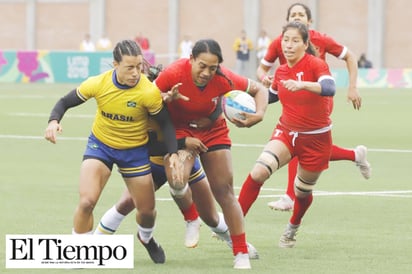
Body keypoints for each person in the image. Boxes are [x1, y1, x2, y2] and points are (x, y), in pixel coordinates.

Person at [44, 39, 183, 264]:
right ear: (114, 64)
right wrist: (53, 121)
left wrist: (173, 153)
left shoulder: (148, 91)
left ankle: (146, 239)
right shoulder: (99, 83)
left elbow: (166, 124)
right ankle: (78, 257)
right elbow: (64, 102)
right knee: (87, 201)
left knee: (147, 212)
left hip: (135, 152)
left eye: (139, 66)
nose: (136, 73)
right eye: (129, 67)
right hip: (101, 147)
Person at [154, 39, 268, 269]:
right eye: (202, 66)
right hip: (180, 132)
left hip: (213, 131)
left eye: (213, 68)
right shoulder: (173, 73)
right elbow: (147, 101)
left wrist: (260, 113)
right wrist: (166, 98)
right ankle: (191, 218)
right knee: (176, 180)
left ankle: (241, 252)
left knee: (224, 192)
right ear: (191, 59)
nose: (207, 73)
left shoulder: (224, 77)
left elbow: (260, 89)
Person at [256, 2, 371, 211]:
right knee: (306, 144)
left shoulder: (321, 40)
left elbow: (350, 56)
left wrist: (352, 87)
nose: (297, 18)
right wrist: (265, 79)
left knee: (298, 139)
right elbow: (261, 70)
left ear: (310, 21)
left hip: (318, 98)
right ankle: (355, 155)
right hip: (290, 97)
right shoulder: (279, 42)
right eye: (293, 15)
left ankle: (290, 197)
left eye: (301, 15)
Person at [239, 21, 337, 247]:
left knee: (302, 193)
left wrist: (303, 85)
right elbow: (271, 96)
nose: (289, 45)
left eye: (295, 41)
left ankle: (293, 226)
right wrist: (249, 101)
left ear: (305, 44)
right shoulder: (281, 71)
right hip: (287, 133)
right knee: (258, 172)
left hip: (317, 139)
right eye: (285, 40)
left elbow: (330, 88)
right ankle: (234, 221)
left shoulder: (316, 64)